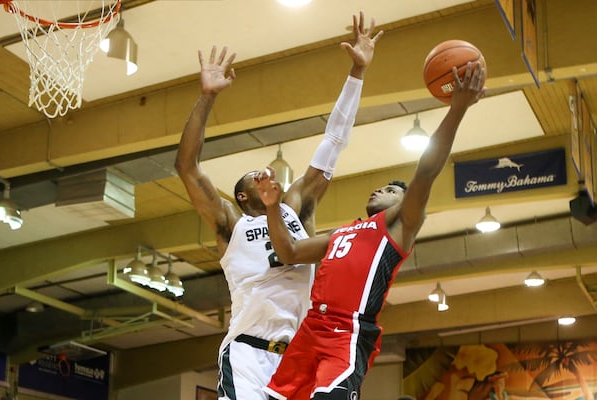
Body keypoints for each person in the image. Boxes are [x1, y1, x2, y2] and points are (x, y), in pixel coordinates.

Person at [174, 11, 383, 400]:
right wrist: (206, 98)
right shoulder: (229, 223)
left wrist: (357, 72)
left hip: (297, 360)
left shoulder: (296, 208)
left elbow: (333, 143)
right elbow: (186, 166)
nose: (266, 174)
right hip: (247, 354)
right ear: (241, 195)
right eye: (256, 175)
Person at [255, 62, 486, 400]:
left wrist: (457, 109)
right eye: (380, 187)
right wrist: (272, 207)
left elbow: (426, 170)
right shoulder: (342, 233)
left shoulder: (398, 226)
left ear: (407, 203)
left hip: (346, 331)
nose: (380, 190)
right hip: (310, 330)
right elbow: (289, 252)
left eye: (391, 190)